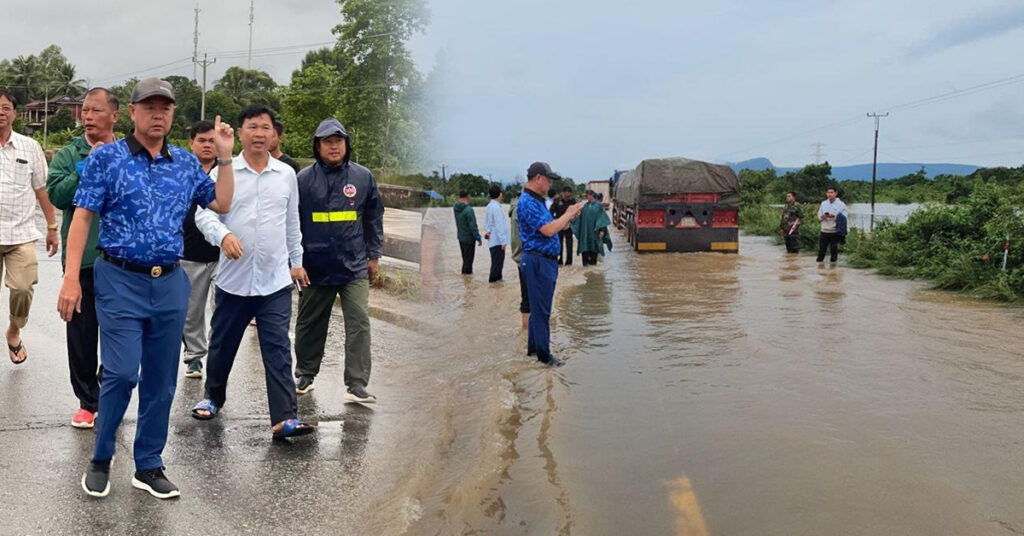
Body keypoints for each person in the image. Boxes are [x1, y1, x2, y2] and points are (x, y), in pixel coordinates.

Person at [58, 78, 236, 500]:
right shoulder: (109, 159)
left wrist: (226, 159)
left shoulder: (186, 164)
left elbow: (222, 204)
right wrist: (69, 278)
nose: (158, 114)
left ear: (172, 113)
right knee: (121, 373)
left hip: (170, 281)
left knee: (161, 380)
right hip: (118, 277)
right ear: (133, 112)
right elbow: (82, 218)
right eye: (150, 106)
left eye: (166, 107)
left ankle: (149, 464)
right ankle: (102, 456)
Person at [190, 105, 314, 440]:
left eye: (265, 128)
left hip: (274, 281)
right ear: (239, 133)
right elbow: (205, 215)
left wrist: (296, 261)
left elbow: (292, 224)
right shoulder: (223, 171)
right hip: (234, 280)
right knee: (223, 344)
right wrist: (224, 235)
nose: (259, 133)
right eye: (252, 127)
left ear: (274, 135)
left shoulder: (286, 174)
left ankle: (284, 418)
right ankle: (213, 396)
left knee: (276, 348)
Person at [293, 118, 384, 403]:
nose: (333, 146)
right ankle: (305, 374)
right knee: (310, 323)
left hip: (353, 264)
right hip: (315, 265)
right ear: (317, 146)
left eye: (338, 141)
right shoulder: (303, 180)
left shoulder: (362, 177)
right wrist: (295, 260)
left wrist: (374, 255)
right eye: (327, 142)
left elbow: (373, 218)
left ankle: (356, 384)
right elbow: (292, 223)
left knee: (359, 323)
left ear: (346, 144)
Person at [46, 87, 118, 428]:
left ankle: (107, 390)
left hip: (122, 260)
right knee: (81, 335)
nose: (87, 116)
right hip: (83, 260)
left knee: (121, 334)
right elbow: (59, 196)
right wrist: (89, 164)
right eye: (84, 111)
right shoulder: (70, 153)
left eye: (95, 110)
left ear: (115, 116)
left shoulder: (128, 153)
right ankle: (87, 402)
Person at [0, 89, 58, 365]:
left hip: (20, 234)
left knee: (23, 289)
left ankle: (14, 329)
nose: (1, 111)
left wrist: (52, 226)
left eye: (5, 107)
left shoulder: (30, 146)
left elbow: (42, 190)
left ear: (14, 113)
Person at [517, 162, 584, 367]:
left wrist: (570, 217)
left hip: (542, 260)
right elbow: (547, 230)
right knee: (542, 311)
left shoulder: (538, 201)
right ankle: (545, 357)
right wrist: (568, 213)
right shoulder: (528, 202)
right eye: (548, 179)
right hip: (538, 261)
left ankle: (534, 350)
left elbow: (554, 227)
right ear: (538, 178)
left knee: (538, 309)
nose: (550, 183)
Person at [180, 120, 219, 379]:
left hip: (223, 254)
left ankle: (217, 356)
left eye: (212, 141)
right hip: (189, 253)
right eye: (202, 140)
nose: (207, 145)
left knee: (222, 309)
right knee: (192, 312)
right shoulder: (180, 170)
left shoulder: (229, 171)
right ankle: (194, 357)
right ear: (192, 143)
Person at [572, 190, 612, 266]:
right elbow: (577, 219)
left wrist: (602, 230)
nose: (588, 197)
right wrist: (572, 219)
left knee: (594, 250)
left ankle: (593, 270)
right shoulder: (584, 207)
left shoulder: (598, 206)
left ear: (593, 195)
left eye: (589, 195)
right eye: (587, 196)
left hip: (595, 233)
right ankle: (586, 271)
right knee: (585, 250)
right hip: (585, 234)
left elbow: (602, 219)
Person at [509, 196, 529, 331]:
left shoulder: (516, 209)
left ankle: (526, 334)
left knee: (527, 296)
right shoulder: (520, 210)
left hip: (523, 258)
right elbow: (520, 239)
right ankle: (526, 332)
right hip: (526, 259)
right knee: (528, 298)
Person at [483, 184, 509, 282]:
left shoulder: (490, 206)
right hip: (497, 241)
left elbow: (486, 224)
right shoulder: (496, 208)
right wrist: (503, 241)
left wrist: (488, 232)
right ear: (499, 194)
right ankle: (494, 284)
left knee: (495, 264)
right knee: (497, 266)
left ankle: (496, 289)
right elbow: (499, 226)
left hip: (493, 240)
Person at [817, 187, 848, 263]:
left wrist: (834, 217)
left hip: (834, 231)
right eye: (828, 192)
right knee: (821, 251)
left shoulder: (841, 204)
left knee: (834, 252)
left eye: (831, 192)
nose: (830, 194)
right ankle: (820, 269)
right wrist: (823, 216)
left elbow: (844, 217)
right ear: (826, 194)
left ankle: (833, 270)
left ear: (835, 193)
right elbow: (819, 216)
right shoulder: (823, 203)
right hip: (824, 230)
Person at [453, 190, 481, 275]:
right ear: (468, 196)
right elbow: (473, 226)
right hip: (469, 239)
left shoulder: (455, 208)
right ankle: (467, 280)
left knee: (465, 259)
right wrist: (478, 237)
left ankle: (465, 280)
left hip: (461, 237)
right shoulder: (469, 210)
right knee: (469, 261)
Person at [550, 186, 576, 265]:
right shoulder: (557, 201)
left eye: (569, 195)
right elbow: (550, 212)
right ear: (563, 193)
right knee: (559, 244)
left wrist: (570, 222)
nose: (567, 196)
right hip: (559, 226)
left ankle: (569, 263)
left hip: (569, 225)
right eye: (566, 194)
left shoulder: (573, 201)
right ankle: (559, 261)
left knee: (569, 245)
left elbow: (577, 213)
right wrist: (556, 221)